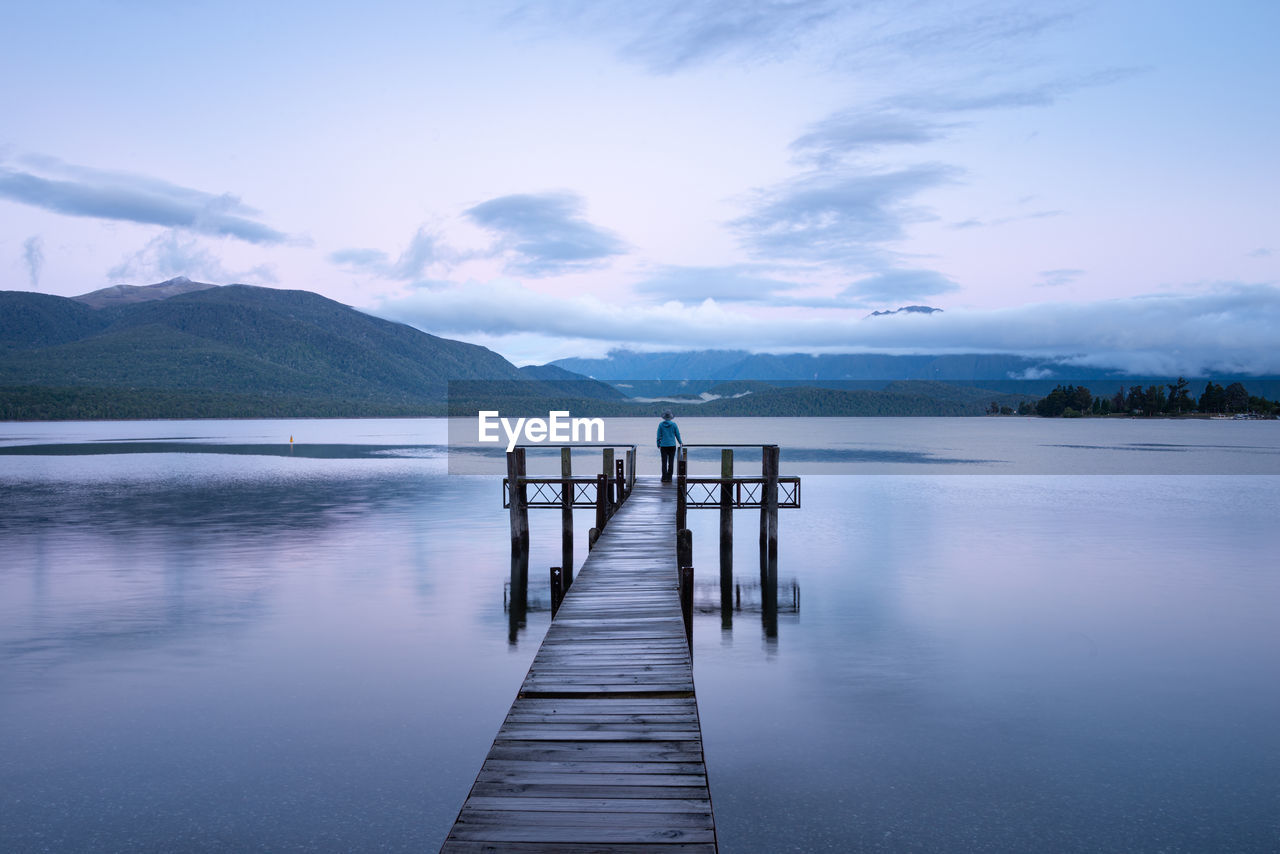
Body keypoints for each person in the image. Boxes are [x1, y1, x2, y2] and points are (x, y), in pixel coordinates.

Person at [656, 410, 682, 482]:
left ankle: (664, 477)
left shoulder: (661, 425)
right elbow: (677, 434)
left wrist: (658, 444)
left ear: (664, 417)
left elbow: (658, 436)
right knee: (671, 462)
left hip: (663, 446)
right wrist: (680, 442)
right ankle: (669, 477)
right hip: (672, 445)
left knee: (664, 462)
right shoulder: (674, 425)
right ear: (671, 417)